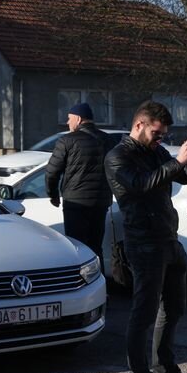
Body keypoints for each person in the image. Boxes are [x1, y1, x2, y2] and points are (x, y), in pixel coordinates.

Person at [105, 101, 187, 373]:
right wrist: (177, 162)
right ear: (139, 125)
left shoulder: (156, 152)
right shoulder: (117, 157)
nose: (160, 138)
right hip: (143, 243)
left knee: (175, 307)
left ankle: (165, 370)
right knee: (144, 312)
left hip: (168, 239)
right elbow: (140, 184)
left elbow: (180, 177)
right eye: (156, 132)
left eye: (163, 133)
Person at [45, 102, 116, 271]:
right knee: (95, 246)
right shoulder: (108, 140)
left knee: (77, 248)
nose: (67, 123)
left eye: (69, 119)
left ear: (77, 119)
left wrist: (53, 195)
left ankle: (81, 286)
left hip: (75, 204)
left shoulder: (67, 140)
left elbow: (52, 172)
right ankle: (100, 286)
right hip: (101, 202)